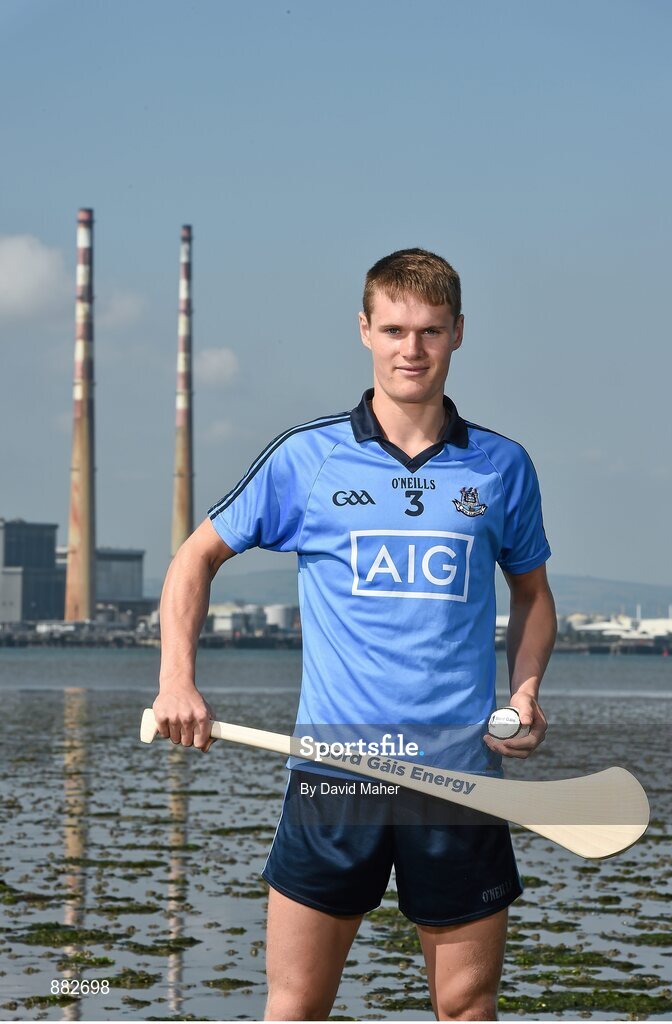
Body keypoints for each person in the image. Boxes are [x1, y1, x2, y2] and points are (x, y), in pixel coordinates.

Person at [153, 248, 557, 1021]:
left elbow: (534, 596)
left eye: (431, 331)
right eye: (397, 329)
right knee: (298, 1003)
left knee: (468, 1006)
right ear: (365, 330)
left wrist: (527, 691)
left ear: (458, 334)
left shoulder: (501, 467)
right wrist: (178, 679)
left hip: (457, 780)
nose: (413, 349)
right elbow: (194, 558)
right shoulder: (307, 457)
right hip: (338, 776)